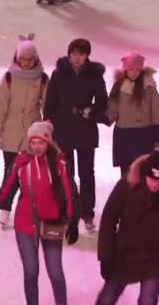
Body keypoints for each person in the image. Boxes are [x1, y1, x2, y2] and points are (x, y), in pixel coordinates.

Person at [0, 121, 79, 305]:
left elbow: (70, 194)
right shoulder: (21, 162)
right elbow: (5, 191)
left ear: (48, 142)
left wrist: (73, 220)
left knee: (55, 272)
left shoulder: (59, 163)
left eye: (41, 142)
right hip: (25, 224)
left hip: (52, 222)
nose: (37, 147)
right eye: (33, 142)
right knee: (31, 271)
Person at [96, 151, 159, 305]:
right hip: (122, 256)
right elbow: (108, 220)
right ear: (144, 174)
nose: (155, 184)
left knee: (148, 301)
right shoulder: (126, 187)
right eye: (152, 179)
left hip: (154, 262)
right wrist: (106, 257)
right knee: (106, 300)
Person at [43, 38, 107, 233]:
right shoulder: (58, 73)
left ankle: (87, 213)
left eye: (81, 54)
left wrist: (91, 111)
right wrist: (48, 121)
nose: (77, 58)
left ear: (87, 56)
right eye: (74, 54)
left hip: (86, 129)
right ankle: (69, 211)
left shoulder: (94, 74)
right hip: (64, 129)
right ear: (69, 54)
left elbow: (103, 100)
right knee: (66, 172)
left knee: (87, 173)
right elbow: (50, 100)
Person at [0, 33, 48, 227]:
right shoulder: (8, 78)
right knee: (10, 174)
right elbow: (1, 107)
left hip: (32, 136)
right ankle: (5, 209)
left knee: (30, 175)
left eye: (30, 59)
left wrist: (45, 131)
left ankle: (29, 210)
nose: (26, 63)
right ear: (17, 58)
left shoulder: (42, 79)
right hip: (10, 134)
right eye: (23, 59)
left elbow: (46, 107)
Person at [104, 52, 159, 176]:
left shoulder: (148, 86)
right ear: (125, 70)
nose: (134, 72)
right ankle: (126, 195)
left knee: (144, 173)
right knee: (126, 175)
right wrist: (98, 116)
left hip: (145, 136)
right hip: (124, 137)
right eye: (130, 69)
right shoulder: (119, 86)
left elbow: (157, 112)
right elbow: (112, 109)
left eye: (138, 70)